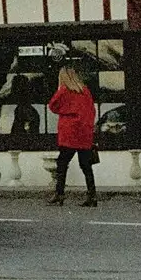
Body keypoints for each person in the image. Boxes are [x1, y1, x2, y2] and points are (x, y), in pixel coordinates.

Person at [48, 65, 98, 206]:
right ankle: (92, 195)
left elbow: (52, 105)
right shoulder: (85, 91)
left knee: (62, 163)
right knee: (86, 165)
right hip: (84, 133)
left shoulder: (64, 90)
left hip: (69, 133)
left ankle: (60, 193)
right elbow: (92, 111)